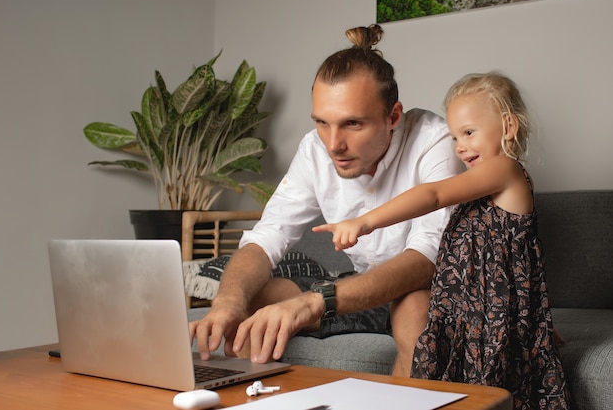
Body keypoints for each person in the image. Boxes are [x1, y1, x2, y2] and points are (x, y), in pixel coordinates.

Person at [189, 24, 462, 377]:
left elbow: (427, 259)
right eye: (322, 122)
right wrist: (226, 303)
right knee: (248, 304)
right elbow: (267, 235)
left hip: (423, 287)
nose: (333, 144)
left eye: (352, 124)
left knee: (414, 313)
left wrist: (318, 301)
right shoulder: (315, 149)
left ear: (393, 116)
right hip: (359, 282)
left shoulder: (434, 141)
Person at [314, 72, 571, 409]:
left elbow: (434, 194)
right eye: (453, 137)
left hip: (491, 327)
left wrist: (366, 221)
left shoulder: (506, 171)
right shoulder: (477, 189)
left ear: (508, 126)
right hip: (467, 322)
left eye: (468, 132)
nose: (460, 146)